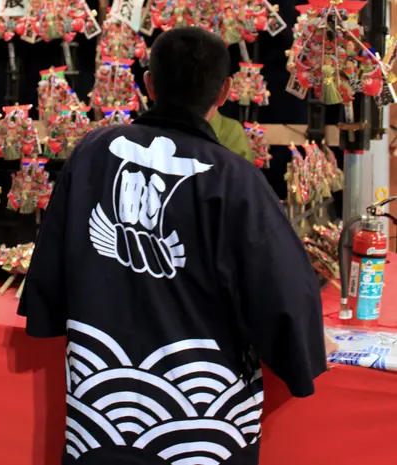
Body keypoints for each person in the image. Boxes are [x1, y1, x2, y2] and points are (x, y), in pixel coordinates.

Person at [19, 27, 328, 465]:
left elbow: (53, 254)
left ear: (148, 83)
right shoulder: (233, 178)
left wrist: (45, 313)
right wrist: (302, 359)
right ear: (223, 92)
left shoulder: (92, 151)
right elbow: (283, 290)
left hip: (102, 402)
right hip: (200, 413)